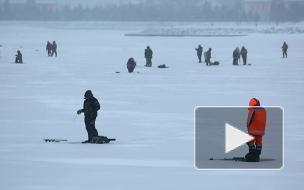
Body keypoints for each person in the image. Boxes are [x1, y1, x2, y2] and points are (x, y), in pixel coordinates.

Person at [245, 98, 267, 162]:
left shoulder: (252, 110)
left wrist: (248, 127)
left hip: (252, 129)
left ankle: (252, 153)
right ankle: (257, 154)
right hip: (261, 130)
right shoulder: (263, 110)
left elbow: (249, 120)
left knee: (250, 141)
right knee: (259, 142)